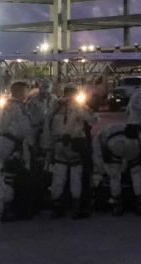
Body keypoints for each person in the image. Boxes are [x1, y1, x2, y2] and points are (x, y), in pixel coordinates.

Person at [46, 85, 98, 218]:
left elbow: (47, 125)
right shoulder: (77, 106)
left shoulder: (55, 106)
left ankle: (56, 207)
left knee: (59, 177)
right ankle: (77, 207)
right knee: (76, 177)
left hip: (58, 146)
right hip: (75, 145)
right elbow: (94, 119)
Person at [94, 121, 141, 215]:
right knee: (136, 172)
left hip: (113, 143)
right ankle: (140, 202)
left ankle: (117, 205)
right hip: (132, 141)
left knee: (115, 176)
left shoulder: (98, 138)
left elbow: (97, 157)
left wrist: (104, 173)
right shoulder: (119, 126)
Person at [0, 81, 35, 222]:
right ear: (20, 92)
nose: (27, 94)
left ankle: (9, 206)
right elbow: (25, 128)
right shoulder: (19, 107)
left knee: (7, 175)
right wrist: (33, 145)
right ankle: (11, 208)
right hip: (13, 145)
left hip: (4, 143)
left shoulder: (6, 106)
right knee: (13, 176)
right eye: (25, 91)